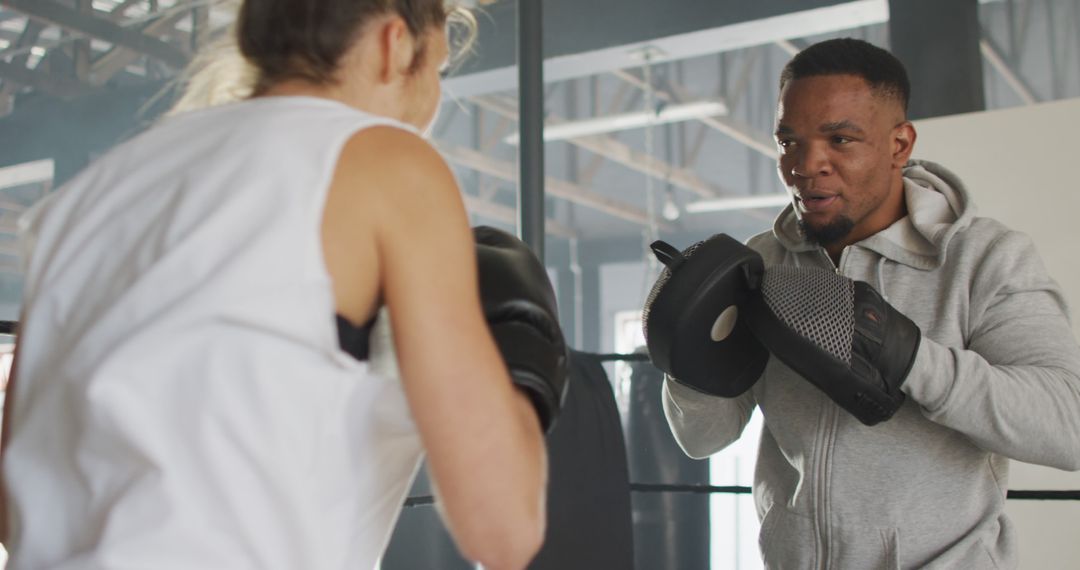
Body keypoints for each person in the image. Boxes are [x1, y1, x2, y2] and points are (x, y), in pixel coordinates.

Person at [0, 1, 559, 569]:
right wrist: (513, 364)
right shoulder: (388, 161)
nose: (434, 98)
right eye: (437, 69)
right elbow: (503, 528)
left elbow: (10, 505)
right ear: (394, 46)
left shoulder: (77, 203)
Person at [662, 38, 1080, 568]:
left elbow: (1067, 427)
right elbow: (703, 439)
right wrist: (684, 358)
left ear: (899, 145)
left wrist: (911, 358)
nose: (807, 166)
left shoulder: (983, 259)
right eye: (789, 142)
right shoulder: (760, 265)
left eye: (840, 139)